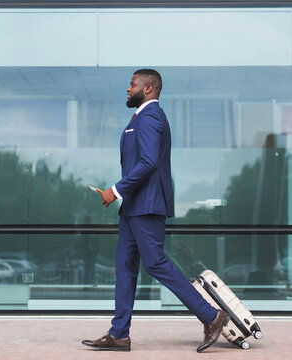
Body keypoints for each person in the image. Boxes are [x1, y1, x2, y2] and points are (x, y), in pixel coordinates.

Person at [81, 69, 228, 352]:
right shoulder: (140, 117)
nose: (127, 89)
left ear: (148, 89)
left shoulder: (151, 117)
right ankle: (119, 334)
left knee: (155, 263)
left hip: (147, 206)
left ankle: (212, 315)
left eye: (132, 84)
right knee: (124, 269)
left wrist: (117, 190)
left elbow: (148, 162)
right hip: (134, 207)